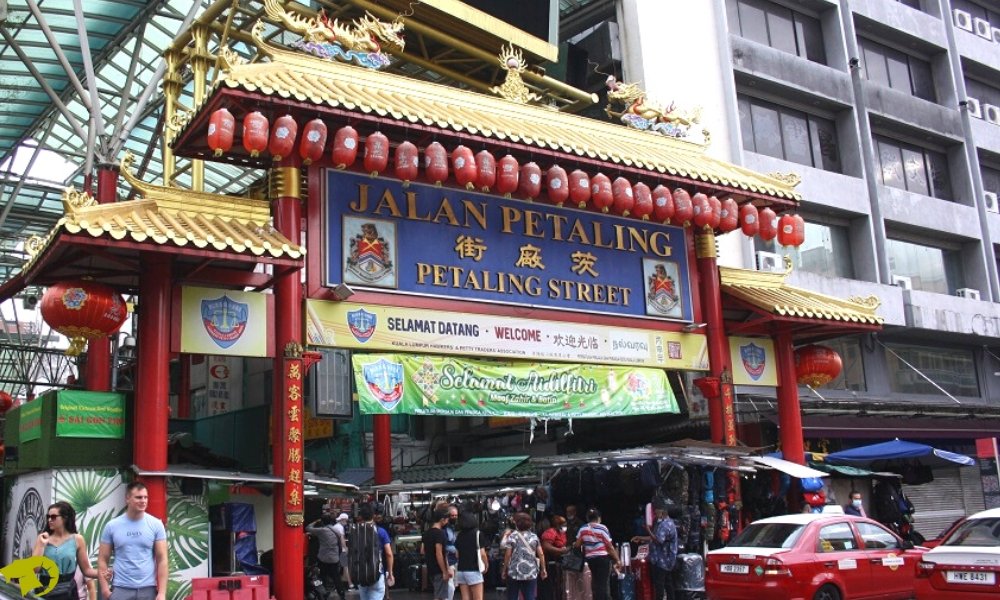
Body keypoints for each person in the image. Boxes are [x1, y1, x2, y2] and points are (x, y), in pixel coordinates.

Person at [98, 482, 168, 600]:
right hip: (120, 587)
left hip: (148, 588)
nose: (143, 501)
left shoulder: (156, 524)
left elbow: (162, 559)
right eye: (138, 497)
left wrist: (162, 593)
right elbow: (102, 559)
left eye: (146, 497)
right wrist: (105, 590)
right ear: (127, 498)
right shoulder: (112, 526)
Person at [32, 501, 101, 600]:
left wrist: (102, 573)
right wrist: (41, 546)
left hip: (67, 591)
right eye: (48, 517)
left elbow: (86, 570)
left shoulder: (77, 539)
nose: (50, 520)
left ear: (65, 518)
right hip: (46, 591)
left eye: (54, 517)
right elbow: (35, 569)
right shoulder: (42, 538)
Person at [632, 503, 678, 600]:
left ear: (662, 512)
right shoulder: (661, 523)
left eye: (656, 512)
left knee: (660, 586)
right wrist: (640, 538)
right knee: (668, 584)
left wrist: (648, 529)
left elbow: (658, 540)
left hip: (663, 560)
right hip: (663, 560)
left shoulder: (666, 525)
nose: (654, 514)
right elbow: (654, 538)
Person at [348, 504, 394, 600]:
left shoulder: (355, 532)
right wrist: (390, 572)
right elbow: (389, 554)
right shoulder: (380, 531)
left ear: (361, 516)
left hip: (360, 574)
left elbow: (349, 553)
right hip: (376, 574)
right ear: (373, 515)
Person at [574, 509, 620, 600]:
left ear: (587, 518)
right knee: (603, 584)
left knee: (595, 583)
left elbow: (577, 545)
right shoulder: (602, 528)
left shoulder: (583, 528)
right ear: (599, 518)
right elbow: (609, 547)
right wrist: (617, 559)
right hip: (603, 559)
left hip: (590, 560)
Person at [501, 512, 546, 600]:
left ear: (517, 524)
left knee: (512, 596)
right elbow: (541, 554)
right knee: (530, 596)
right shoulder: (534, 537)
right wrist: (543, 569)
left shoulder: (512, 537)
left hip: (514, 571)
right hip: (531, 571)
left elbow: (508, 554)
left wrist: (504, 569)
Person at [306, 513, 347, 600]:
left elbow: (308, 528)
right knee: (336, 577)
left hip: (323, 559)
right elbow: (340, 545)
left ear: (322, 522)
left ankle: (323, 592)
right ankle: (341, 593)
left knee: (319, 577)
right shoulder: (337, 531)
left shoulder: (322, 530)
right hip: (334, 559)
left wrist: (316, 521)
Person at [454, 508, 487, 600]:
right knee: (478, 598)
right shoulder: (478, 534)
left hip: (461, 570)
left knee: (465, 598)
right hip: (473, 569)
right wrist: (486, 564)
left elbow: (457, 554)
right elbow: (482, 554)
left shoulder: (459, 535)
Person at [423, 506, 452, 600]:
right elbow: (439, 553)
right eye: (447, 519)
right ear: (442, 520)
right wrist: (444, 571)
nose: (447, 522)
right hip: (439, 569)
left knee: (438, 594)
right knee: (440, 596)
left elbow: (422, 550)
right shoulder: (440, 533)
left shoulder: (427, 533)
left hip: (431, 568)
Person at [538, 515, 568, 600]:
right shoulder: (550, 532)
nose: (565, 526)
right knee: (550, 587)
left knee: (558, 587)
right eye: (563, 524)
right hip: (550, 563)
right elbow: (546, 546)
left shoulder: (561, 533)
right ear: (557, 525)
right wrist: (561, 551)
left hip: (558, 563)